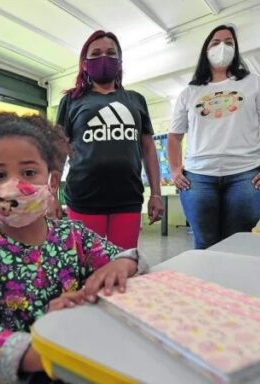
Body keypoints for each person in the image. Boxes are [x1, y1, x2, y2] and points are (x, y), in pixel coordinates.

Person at [0, 112, 146, 383]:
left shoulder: (73, 235)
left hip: (85, 352)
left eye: (29, 172)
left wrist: (122, 265)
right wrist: (51, 351)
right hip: (31, 369)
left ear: (52, 183)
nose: (14, 186)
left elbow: (128, 260)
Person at [167, 24, 260, 249]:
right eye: (216, 42)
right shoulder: (189, 92)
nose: (222, 46)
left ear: (236, 49)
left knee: (238, 243)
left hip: (247, 175)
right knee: (204, 243)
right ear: (206, 49)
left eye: (229, 42)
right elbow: (174, 137)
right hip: (198, 177)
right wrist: (174, 170)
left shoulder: (254, 83)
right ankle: (203, 286)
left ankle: (232, 284)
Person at [56, 30, 163, 249]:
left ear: (120, 62)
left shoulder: (136, 100)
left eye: (110, 53)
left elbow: (148, 149)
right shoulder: (71, 101)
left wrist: (157, 194)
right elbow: (58, 149)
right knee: (85, 268)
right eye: (95, 53)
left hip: (127, 197)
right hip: (84, 196)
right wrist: (51, 194)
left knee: (123, 265)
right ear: (85, 63)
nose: (103, 57)